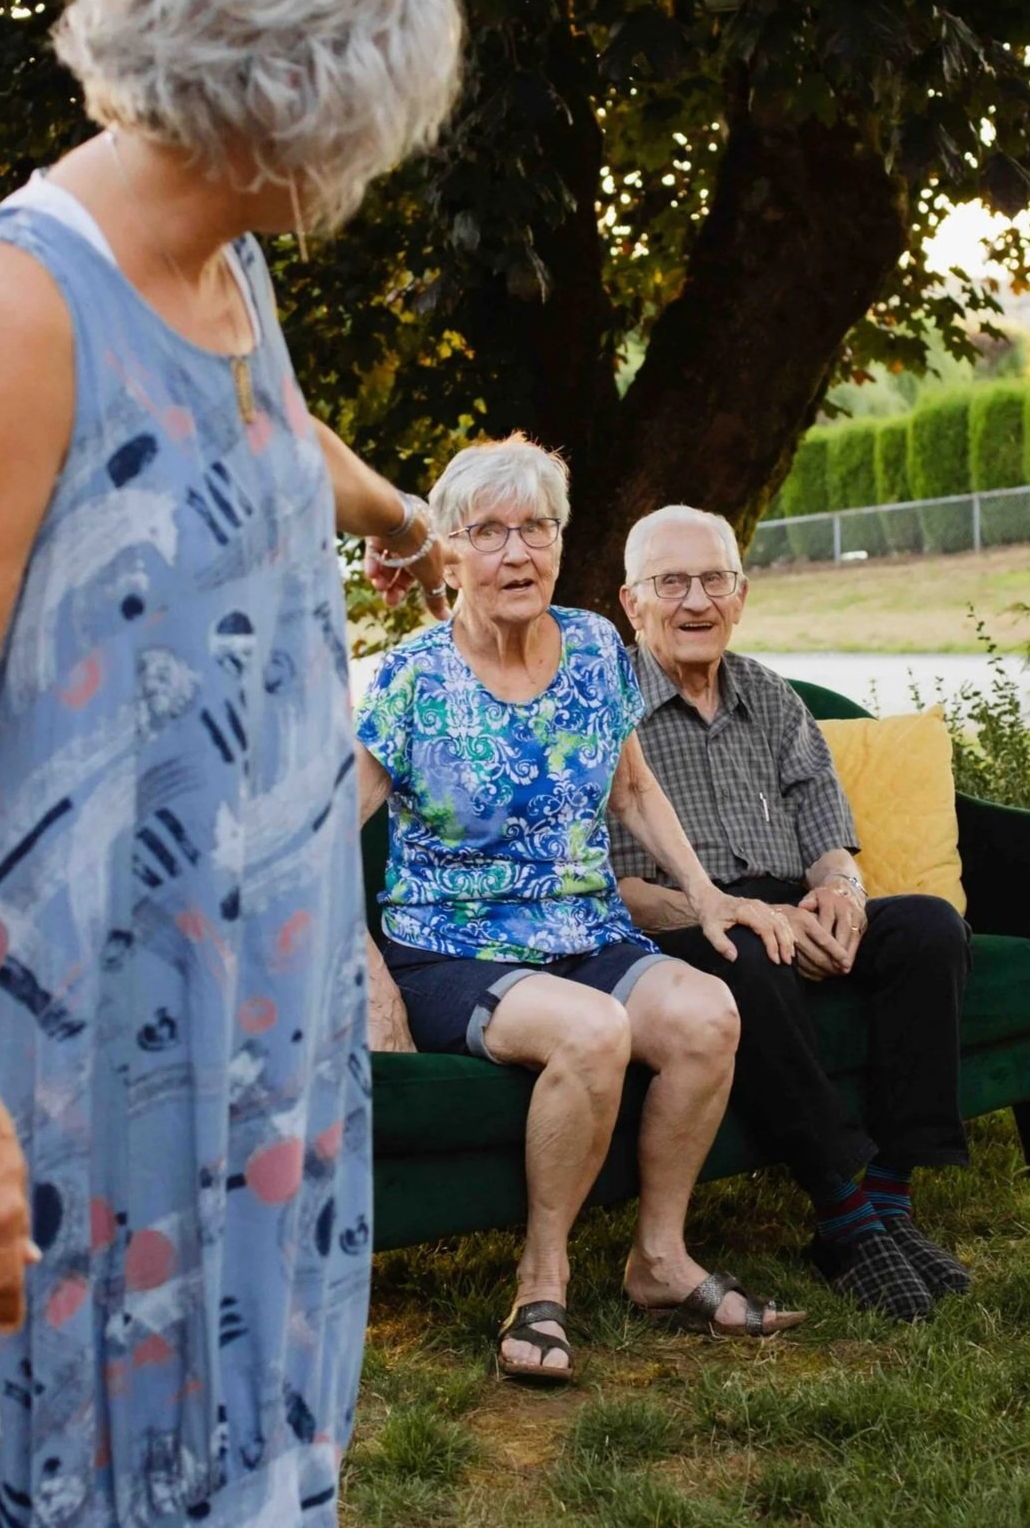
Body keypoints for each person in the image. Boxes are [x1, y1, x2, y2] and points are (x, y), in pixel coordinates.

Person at [0, 0, 462, 1522]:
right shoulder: (11, 305)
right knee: (14, 1427)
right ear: (287, 107)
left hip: (247, 993)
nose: (367, 164)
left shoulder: (229, 263)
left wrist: (399, 513)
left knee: (220, 1392)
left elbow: (264, 427)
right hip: (47, 1025)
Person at [356, 437, 803, 1383]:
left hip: (585, 931)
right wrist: (366, 972)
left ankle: (659, 1259)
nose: (517, 554)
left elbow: (632, 792)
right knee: (594, 1030)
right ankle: (542, 1280)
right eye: (489, 533)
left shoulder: (598, 646)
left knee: (705, 1015)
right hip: (452, 949)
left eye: (538, 529)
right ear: (447, 549)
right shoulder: (411, 678)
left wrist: (706, 894)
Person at [611, 505, 974, 1323]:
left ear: (740, 596)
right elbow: (603, 883)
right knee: (746, 950)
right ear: (632, 603)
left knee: (926, 930)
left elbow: (826, 831)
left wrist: (840, 894)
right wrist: (736, 912)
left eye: (714, 580)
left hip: (785, 903)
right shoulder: (603, 709)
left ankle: (892, 1200)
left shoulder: (770, 697)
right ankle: (842, 1217)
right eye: (672, 583)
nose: (695, 601)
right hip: (672, 921)